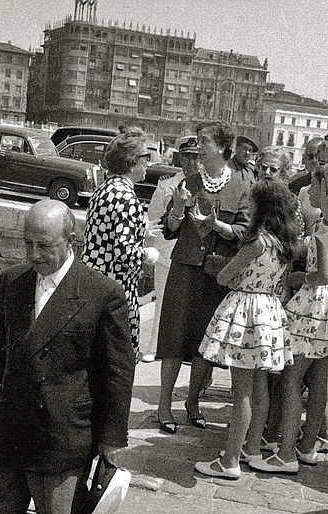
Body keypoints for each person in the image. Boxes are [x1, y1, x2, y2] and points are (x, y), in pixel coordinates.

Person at [0, 199, 135, 514]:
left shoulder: (100, 292)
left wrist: (111, 438)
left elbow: (117, 370)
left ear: (70, 240)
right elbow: (1, 353)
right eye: (28, 245)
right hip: (12, 427)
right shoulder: (13, 280)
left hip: (62, 428)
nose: (34, 255)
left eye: (44, 246)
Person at [195, 180, 299, 479]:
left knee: (241, 391)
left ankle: (229, 461)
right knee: (259, 386)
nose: (248, 206)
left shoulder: (257, 242)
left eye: (252, 202)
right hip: (268, 312)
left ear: (262, 207)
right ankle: (251, 448)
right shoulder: (282, 244)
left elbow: (226, 276)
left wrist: (226, 274)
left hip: (245, 311)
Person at [156, 120, 250, 434]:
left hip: (215, 275)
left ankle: (193, 401)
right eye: (197, 140)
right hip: (184, 270)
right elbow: (169, 230)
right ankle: (164, 403)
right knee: (173, 337)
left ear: (224, 148)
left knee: (203, 341)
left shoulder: (241, 187)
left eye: (204, 141)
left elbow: (245, 233)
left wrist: (217, 226)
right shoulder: (189, 182)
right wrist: (178, 208)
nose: (199, 147)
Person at [250, 162, 328, 474]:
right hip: (323, 312)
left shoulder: (324, 229)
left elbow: (322, 275)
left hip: (312, 308)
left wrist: (298, 279)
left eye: (319, 186)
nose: (313, 190)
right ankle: (307, 445)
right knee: (320, 379)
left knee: (292, 379)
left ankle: (286, 453)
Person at [82, 129, 158, 360]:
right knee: (119, 357)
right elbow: (125, 252)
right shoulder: (126, 196)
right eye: (146, 157)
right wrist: (147, 254)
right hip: (116, 288)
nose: (149, 164)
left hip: (92, 281)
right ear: (132, 162)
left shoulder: (104, 189)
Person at [142, 136, 201, 362]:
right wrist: (150, 251)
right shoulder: (167, 183)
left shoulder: (207, 184)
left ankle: (187, 350)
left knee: (191, 302)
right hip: (168, 251)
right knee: (163, 300)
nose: (191, 163)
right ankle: (154, 345)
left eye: (196, 157)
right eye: (187, 157)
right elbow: (154, 219)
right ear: (180, 158)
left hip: (194, 252)